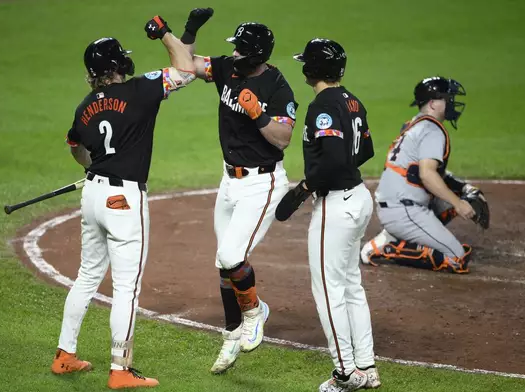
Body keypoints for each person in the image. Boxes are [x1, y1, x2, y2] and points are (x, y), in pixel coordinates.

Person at [50, 16, 196, 389]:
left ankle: (65, 355)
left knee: (86, 276)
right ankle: (120, 369)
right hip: (124, 200)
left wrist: (95, 165)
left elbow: (78, 151)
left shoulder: (84, 106)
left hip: (93, 195)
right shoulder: (141, 89)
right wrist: (166, 34)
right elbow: (187, 69)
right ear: (118, 66)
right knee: (126, 288)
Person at [179, 8, 298, 374]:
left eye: (239, 49)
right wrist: (187, 30)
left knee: (232, 255)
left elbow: (283, 139)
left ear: (255, 54)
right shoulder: (228, 70)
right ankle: (231, 335)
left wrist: (257, 114)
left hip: (262, 183)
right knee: (222, 263)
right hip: (229, 180)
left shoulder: (278, 88)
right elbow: (186, 66)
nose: (232, 54)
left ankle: (254, 312)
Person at [277, 38, 381, 392]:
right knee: (351, 284)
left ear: (312, 70)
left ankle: (346, 372)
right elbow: (364, 149)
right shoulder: (352, 100)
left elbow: (335, 158)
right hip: (359, 197)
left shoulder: (322, 104)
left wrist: (305, 188)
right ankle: (366, 365)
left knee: (329, 290)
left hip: (336, 206)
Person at [360, 76, 485, 274]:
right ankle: (389, 248)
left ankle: (394, 235)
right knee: (457, 258)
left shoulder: (415, 124)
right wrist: (459, 203)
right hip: (404, 210)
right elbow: (427, 175)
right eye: (447, 98)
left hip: (395, 205)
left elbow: (426, 171)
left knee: (455, 198)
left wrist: (462, 188)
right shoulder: (432, 129)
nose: (452, 102)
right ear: (434, 103)